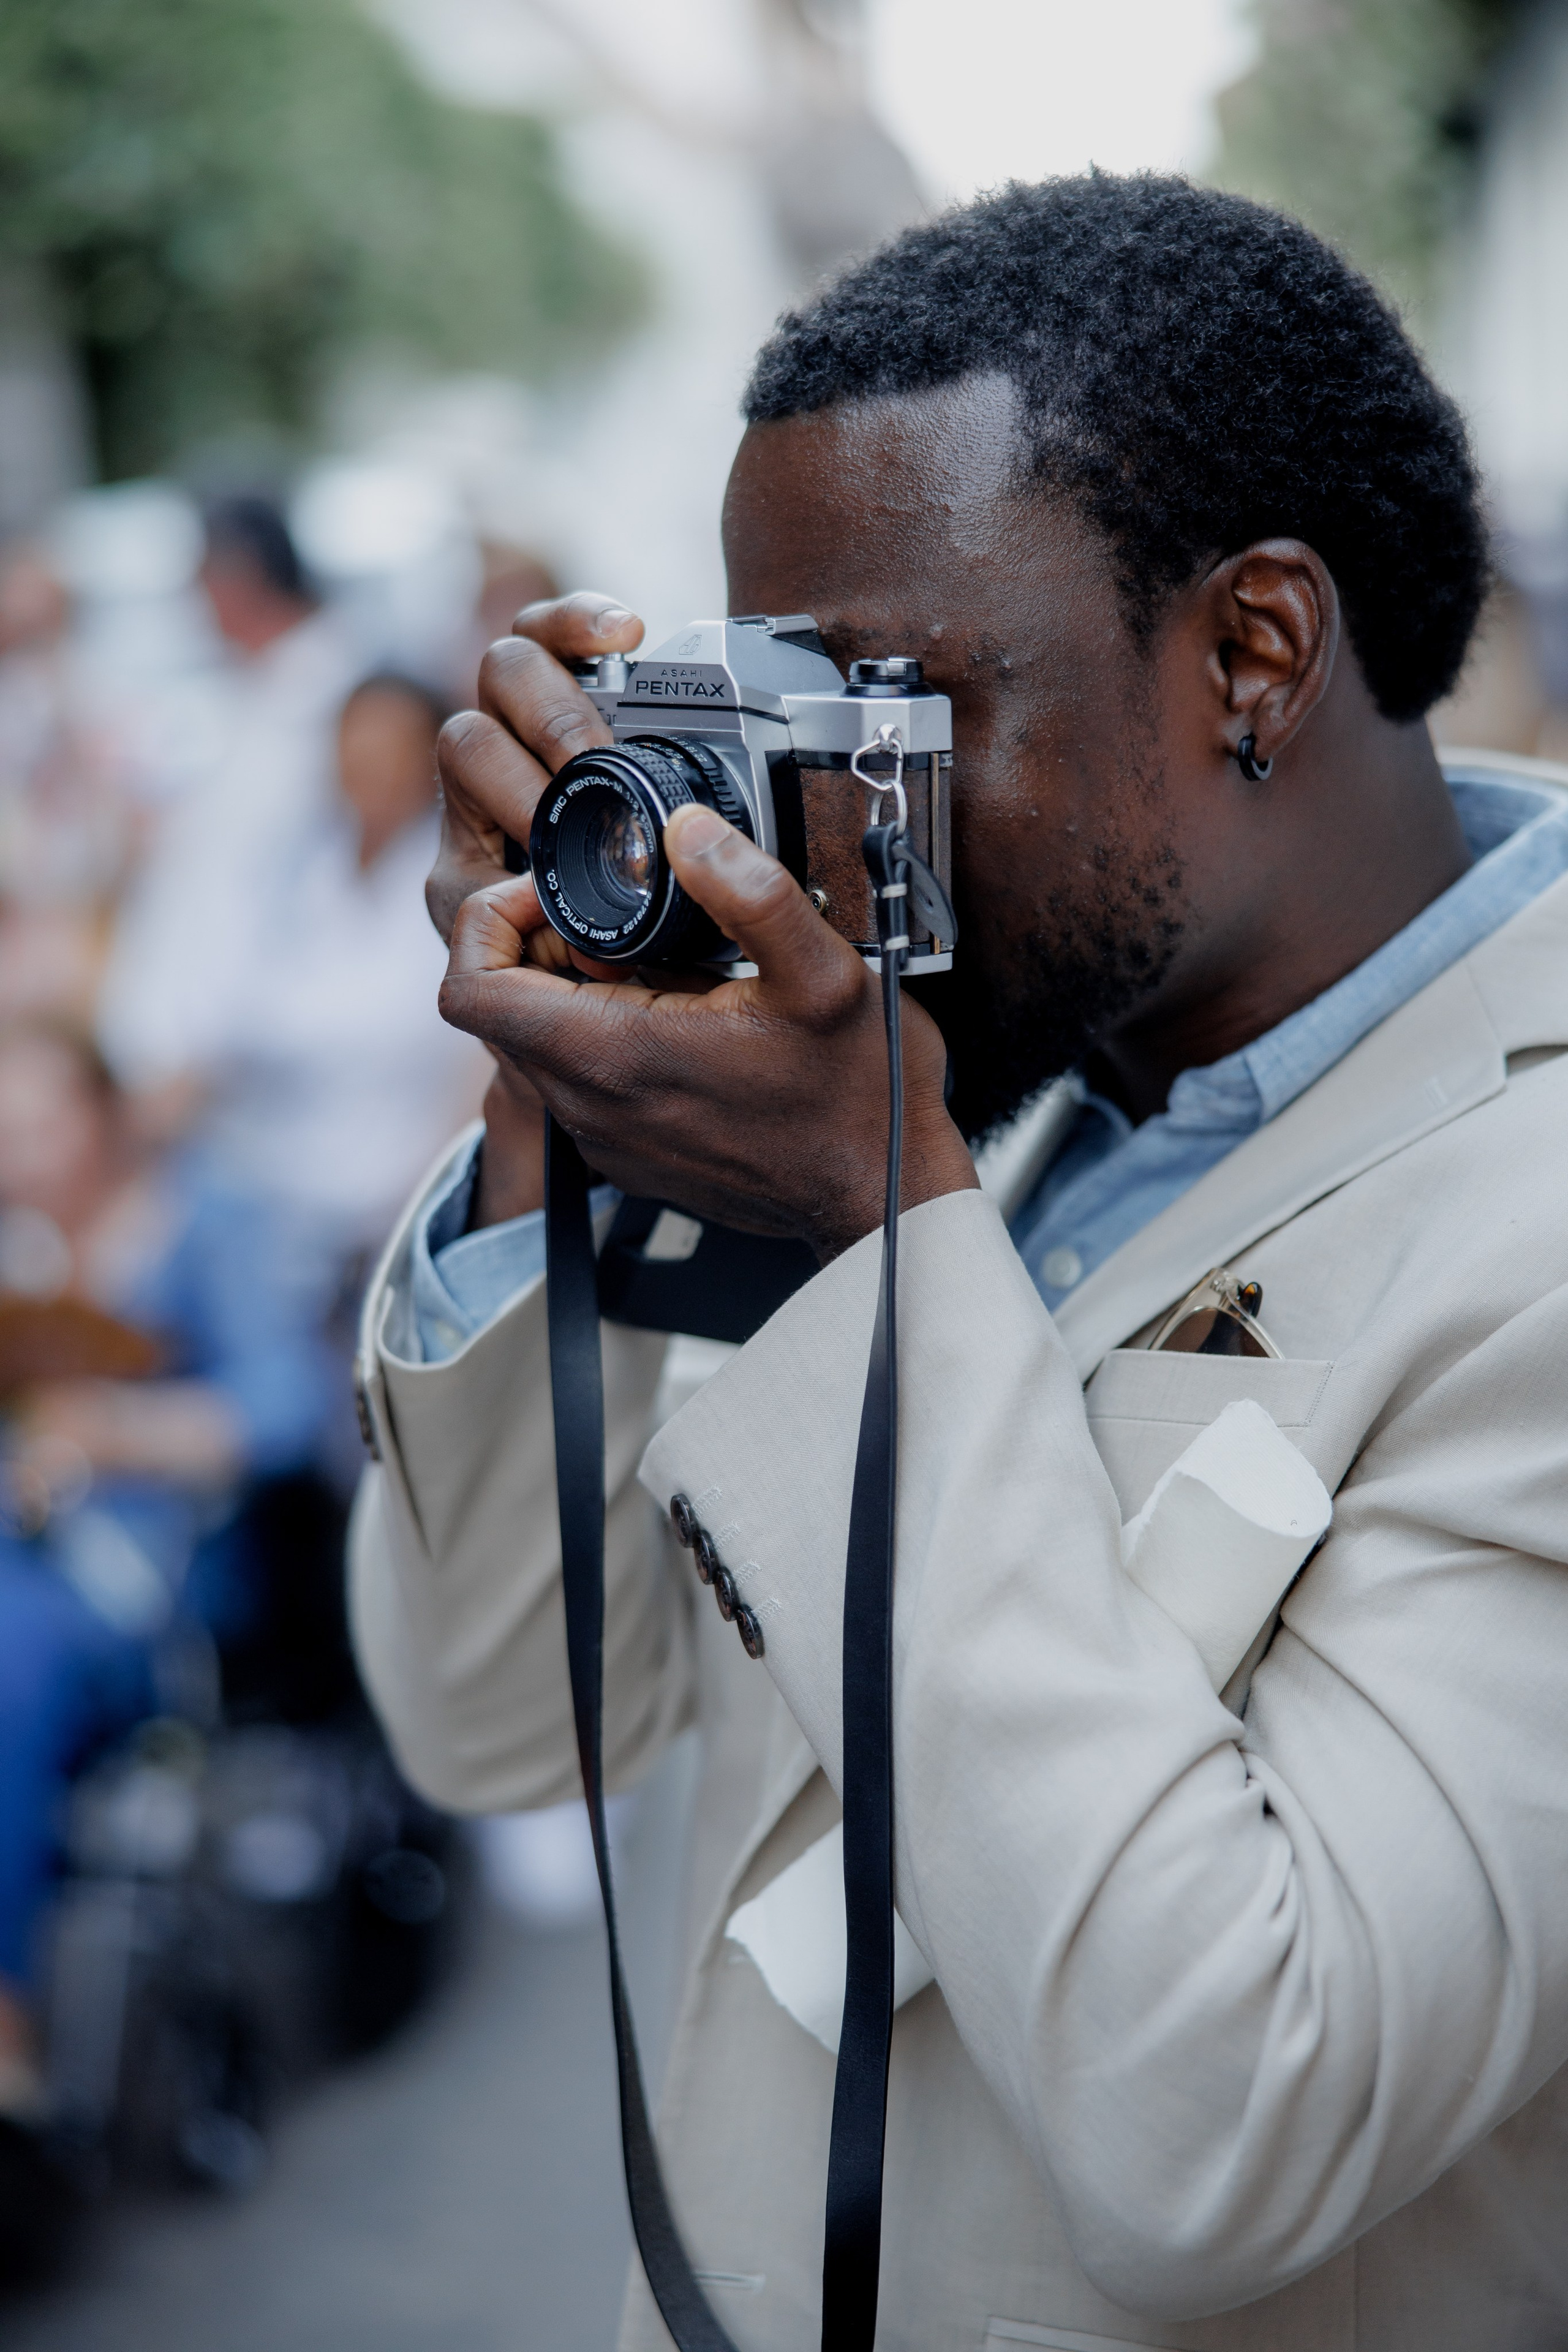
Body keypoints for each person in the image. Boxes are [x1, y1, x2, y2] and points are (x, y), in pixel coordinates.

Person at [349, 177, 1568, 2348]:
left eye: (901, 705)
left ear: (1254, 656)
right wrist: (560, 1116)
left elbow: (1234, 2127)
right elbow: (503, 1725)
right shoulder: (981, 1063)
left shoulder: (1520, 1220)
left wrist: (868, 1225)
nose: (828, 815)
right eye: (794, 705)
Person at [0, 1020, 332, 2201]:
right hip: (29, 1545)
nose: (21, 1153)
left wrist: (121, 1434)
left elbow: (289, 1409)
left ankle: (13, 2029)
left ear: (103, 1114)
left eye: (40, 1124)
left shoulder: (204, 1219)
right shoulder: (22, 1247)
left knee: (13, 1660)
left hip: (150, 1574)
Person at [97, 496, 361, 1112]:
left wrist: (199, 1056)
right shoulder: (256, 689)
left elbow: (287, 899)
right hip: (194, 1067)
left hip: (239, 1080)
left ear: (237, 578)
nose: (192, 596)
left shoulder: (335, 705)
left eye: (201, 574)